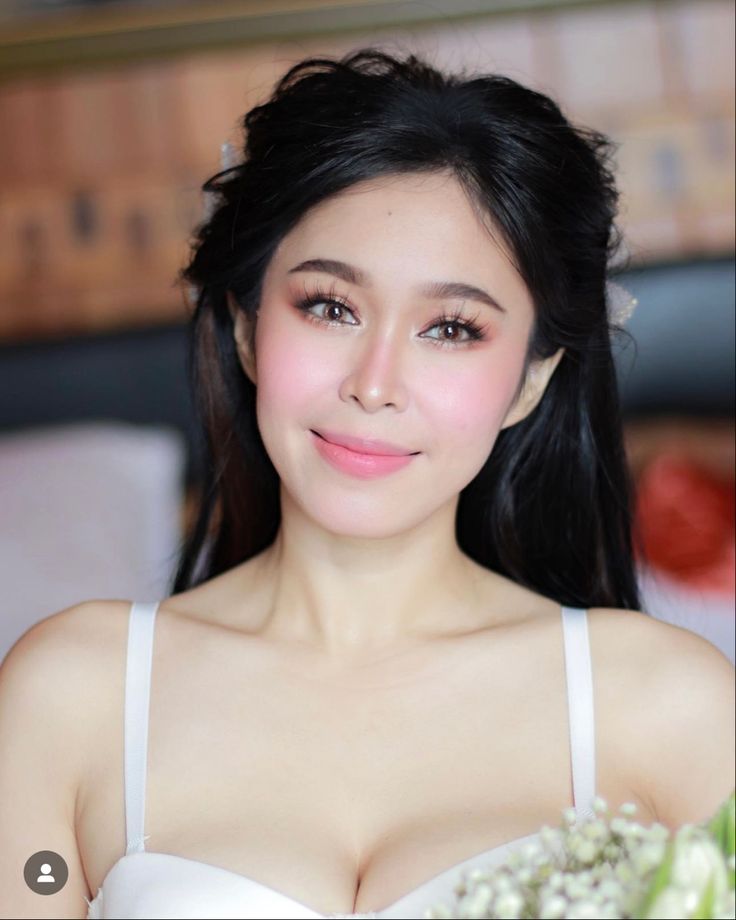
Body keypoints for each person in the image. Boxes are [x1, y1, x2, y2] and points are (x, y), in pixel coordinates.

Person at [1, 47, 733, 920]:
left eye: (453, 328)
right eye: (329, 306)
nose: (374, 382)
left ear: (531, 382)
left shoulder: (668, 705)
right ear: (245, 330)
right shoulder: (71, 693)